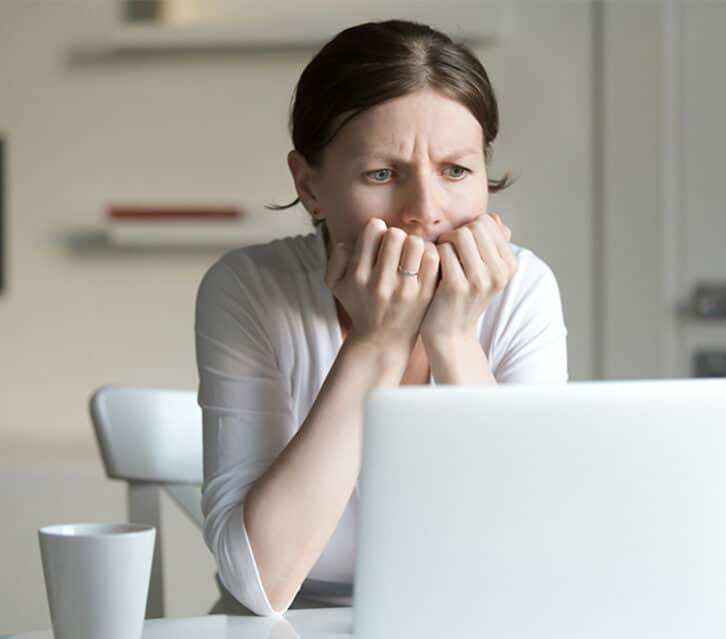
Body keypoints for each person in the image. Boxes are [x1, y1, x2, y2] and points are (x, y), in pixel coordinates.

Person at [195, 19, 568, 617]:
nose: (425, 211)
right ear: (309, 186)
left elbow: (532, 555)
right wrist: (375, 344)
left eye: (455, 170)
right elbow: (259, 584)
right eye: (381, 174)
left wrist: (452, 338)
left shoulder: (522, 290)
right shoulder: (248, 289)